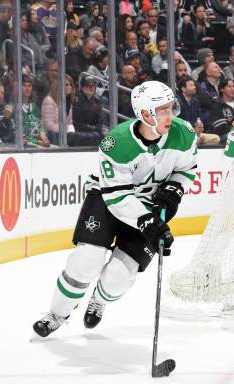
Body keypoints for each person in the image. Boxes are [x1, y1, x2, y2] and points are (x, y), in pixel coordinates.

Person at [32, 81, 197, 337]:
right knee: (86, 259)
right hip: (108, 199)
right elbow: (117, 196)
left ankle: (99, 299)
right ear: (144, 114)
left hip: (148, 205)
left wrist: (174, 190)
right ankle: (57, 313)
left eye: (170, 108)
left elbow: (186, 169)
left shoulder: (184, 133)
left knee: (119, 276)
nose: (170, 116)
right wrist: (146, 220)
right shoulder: (116, 143)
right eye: (162, 110)